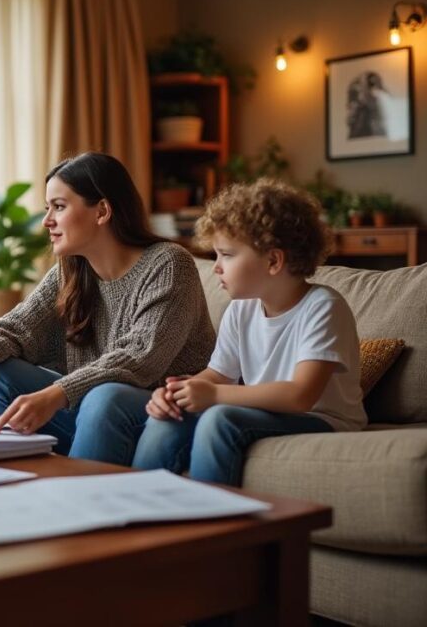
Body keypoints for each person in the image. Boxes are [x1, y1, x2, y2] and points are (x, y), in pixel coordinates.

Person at [0, 152, 214, 465]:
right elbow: (14, 328)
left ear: (102, 211)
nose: (47, 220)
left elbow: (139, 358)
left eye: (59, 207)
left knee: (105, 396)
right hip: (90, 409)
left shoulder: (169, 263)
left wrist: (56, 394)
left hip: (159, 412)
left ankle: (72, 502)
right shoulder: (71, 270)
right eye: (47, 208)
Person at [133, 179, 365, 486]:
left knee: (220, 417)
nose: (216, 267)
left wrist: (215, 396)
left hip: (324, 421)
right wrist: (177, 393)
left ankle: (215, 528)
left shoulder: (323, 307)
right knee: (171, 414)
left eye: (226, 255)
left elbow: (300, 396)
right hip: (268, 412)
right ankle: (135, 506)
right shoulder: (241, 310)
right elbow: (218, 375)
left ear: (273, 260)